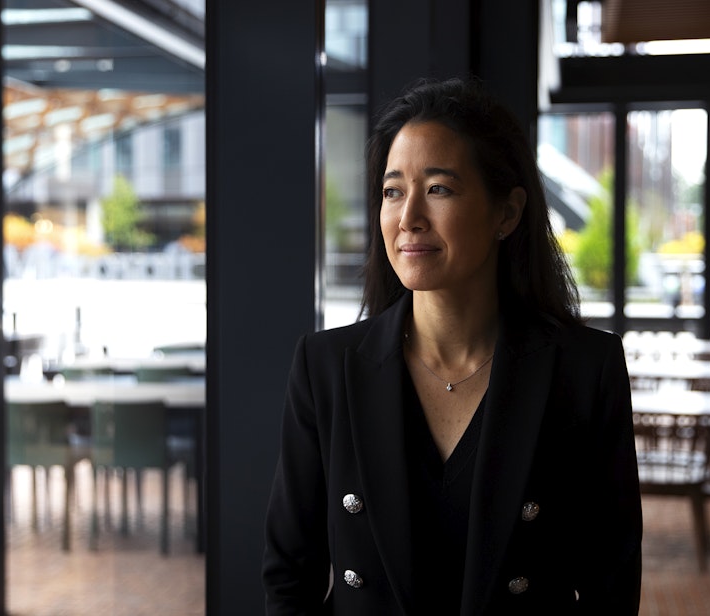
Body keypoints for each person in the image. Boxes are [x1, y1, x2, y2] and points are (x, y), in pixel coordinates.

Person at [263, 77, 642, 615]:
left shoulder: (584, 369)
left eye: (438, 188)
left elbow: (611, 586)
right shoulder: (326, 367)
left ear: (506, 214)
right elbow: (289, 577)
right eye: (393, 191)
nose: (408, 217)